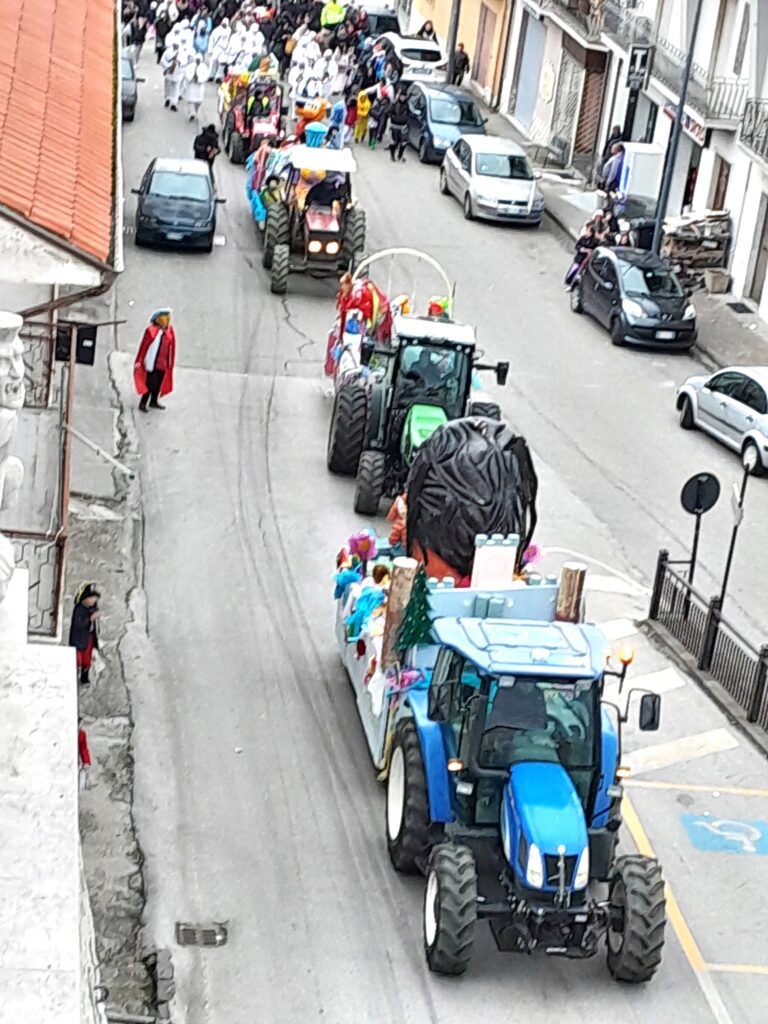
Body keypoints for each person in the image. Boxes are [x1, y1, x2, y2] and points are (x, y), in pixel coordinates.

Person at [134, 309, 177, 412]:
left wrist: (169, 362)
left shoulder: (169, 331)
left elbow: (171, 346)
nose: (165, 322)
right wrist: (141, 361)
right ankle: (143, 403)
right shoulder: (151, 331)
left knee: (158, 384)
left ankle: (153, 401)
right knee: (149, 384)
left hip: (163, 362)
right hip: (152, 363)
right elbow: (144, 347)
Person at [69, 583, 100, 685]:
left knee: (87, 660)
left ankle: (84, 678)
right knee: (77, 661)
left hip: (89, 638)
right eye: (92, 598)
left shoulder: (92, 608)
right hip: (78, 640)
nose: (94, 601)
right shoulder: (79, 609)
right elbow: (78, 624)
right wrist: (90, 619)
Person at [184, 55, 210, 119]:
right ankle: (191, 113)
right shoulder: (190, 66)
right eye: (197, 59)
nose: (198, 60)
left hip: (200, 86)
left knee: (199, 101)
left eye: (199, 59)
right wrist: (192, 78)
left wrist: (199, 80)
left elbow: (206, 76)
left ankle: (195, 111)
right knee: (191, 100)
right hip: (191, 86)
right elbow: (187, 74)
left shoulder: (204, 67)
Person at [388, 90, 408, 162]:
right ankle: (392, 156)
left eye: (404, 96)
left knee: (403, 143)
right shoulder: (394, 103)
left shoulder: (407, 105)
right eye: (401, 96)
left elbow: (410, 113)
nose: (403, 98)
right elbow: (389, 112)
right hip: (394, 125)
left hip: (403, 126)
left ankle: (400, 155)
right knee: (394, 142)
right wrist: (393, 117)